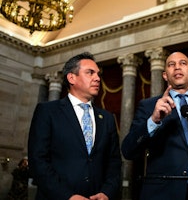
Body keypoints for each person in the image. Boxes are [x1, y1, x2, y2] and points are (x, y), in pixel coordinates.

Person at [121, 51, 188, 200]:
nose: (177, 67)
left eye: (182, 63)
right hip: (161, 194)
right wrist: (153, 120)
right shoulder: (149, 106)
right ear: (165, 75)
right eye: (171, 65)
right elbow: (128, 150)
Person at [28, 52, 122, 200]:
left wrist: (106, 192)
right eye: (90, 73)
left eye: (98, 74)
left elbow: (114, 162)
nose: (97, 78)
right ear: (71, 78)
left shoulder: (107, 118)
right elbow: (38, 161)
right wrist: (68, 196)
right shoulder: (47, 111)